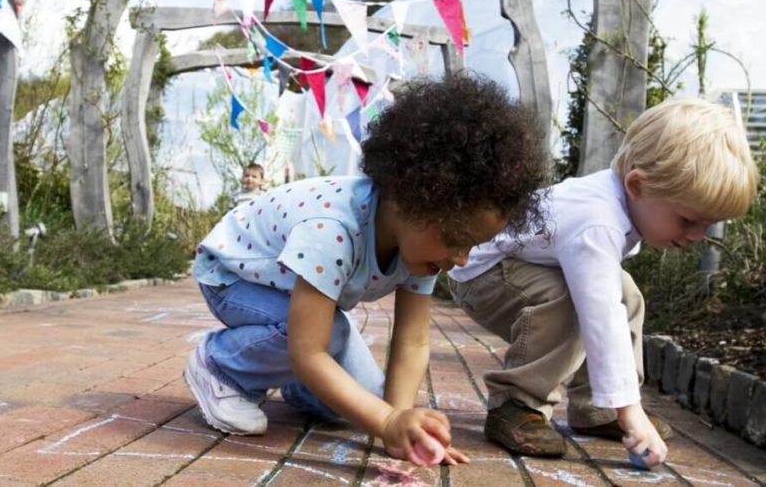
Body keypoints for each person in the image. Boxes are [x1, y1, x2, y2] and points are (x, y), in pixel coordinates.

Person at [184, 74, 550, 466]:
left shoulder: (425, 242)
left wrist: (397, 424)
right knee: (328, 337)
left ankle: (296, 388)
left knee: (365, 402)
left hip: (282, 287)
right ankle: (220, 365)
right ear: (410, 197)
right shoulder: (334, 228)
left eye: (471, 245)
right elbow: (308, 351)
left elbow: (412, 342)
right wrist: (387, 420)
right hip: (232, 275)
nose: (460, 259)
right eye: (455, 238)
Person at [447, 98, 758, 467]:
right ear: (638, 185)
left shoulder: (621, 202)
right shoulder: (598, 222)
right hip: (481, 272)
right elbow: (600, 317)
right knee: (574, 303)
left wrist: (619, 402)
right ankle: (516, 405)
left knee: (627, 293)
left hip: (517, 265)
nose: (696, 236)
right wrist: (632, 413)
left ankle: (598, 405)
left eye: (708, 225)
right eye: (689, 220)